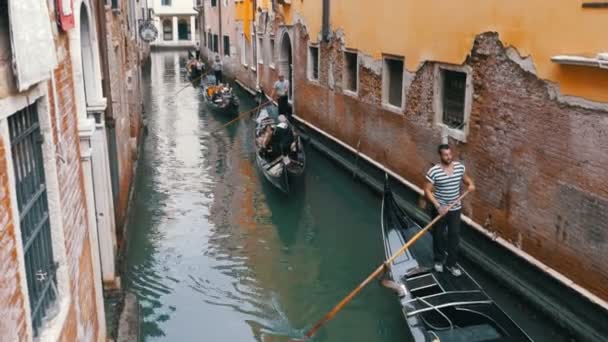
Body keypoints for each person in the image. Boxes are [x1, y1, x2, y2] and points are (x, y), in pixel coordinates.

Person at [424, 144, 475, 277]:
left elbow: (466, 179)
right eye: (446, 155)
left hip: (455, 209)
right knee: (438, 235)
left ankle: (451, 264)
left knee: (454, 236)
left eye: (450, 154)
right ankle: (439, 261)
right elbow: (427, 191)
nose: (449, 157)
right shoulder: (434, 171)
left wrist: (470, 184)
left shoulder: (459, 167)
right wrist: (437, 206)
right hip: (440, 209)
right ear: (440, 156)